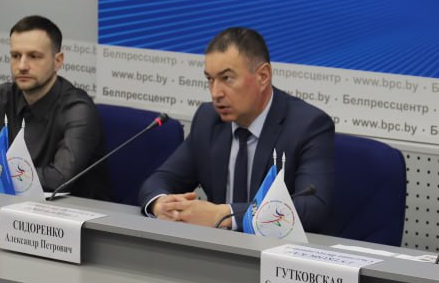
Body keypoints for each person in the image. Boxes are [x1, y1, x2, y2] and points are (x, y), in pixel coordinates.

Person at [140, 27, 333, 231]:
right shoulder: (208, 119)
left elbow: (312, 207)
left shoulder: (308, 125)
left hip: (277, 248)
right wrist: (161, 204)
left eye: (227, 78)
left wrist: (224, 214)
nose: (216, 93)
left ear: (263, 76)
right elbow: (160, 180)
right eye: (210, 79)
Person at [0, 15, 112, 200]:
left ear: (58, 61)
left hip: (74, 213)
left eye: (34, 56)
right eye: (16, 56)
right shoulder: (0, 99)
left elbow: (58, 180)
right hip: (12, 208)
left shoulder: (78, 109)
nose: (22, 66)